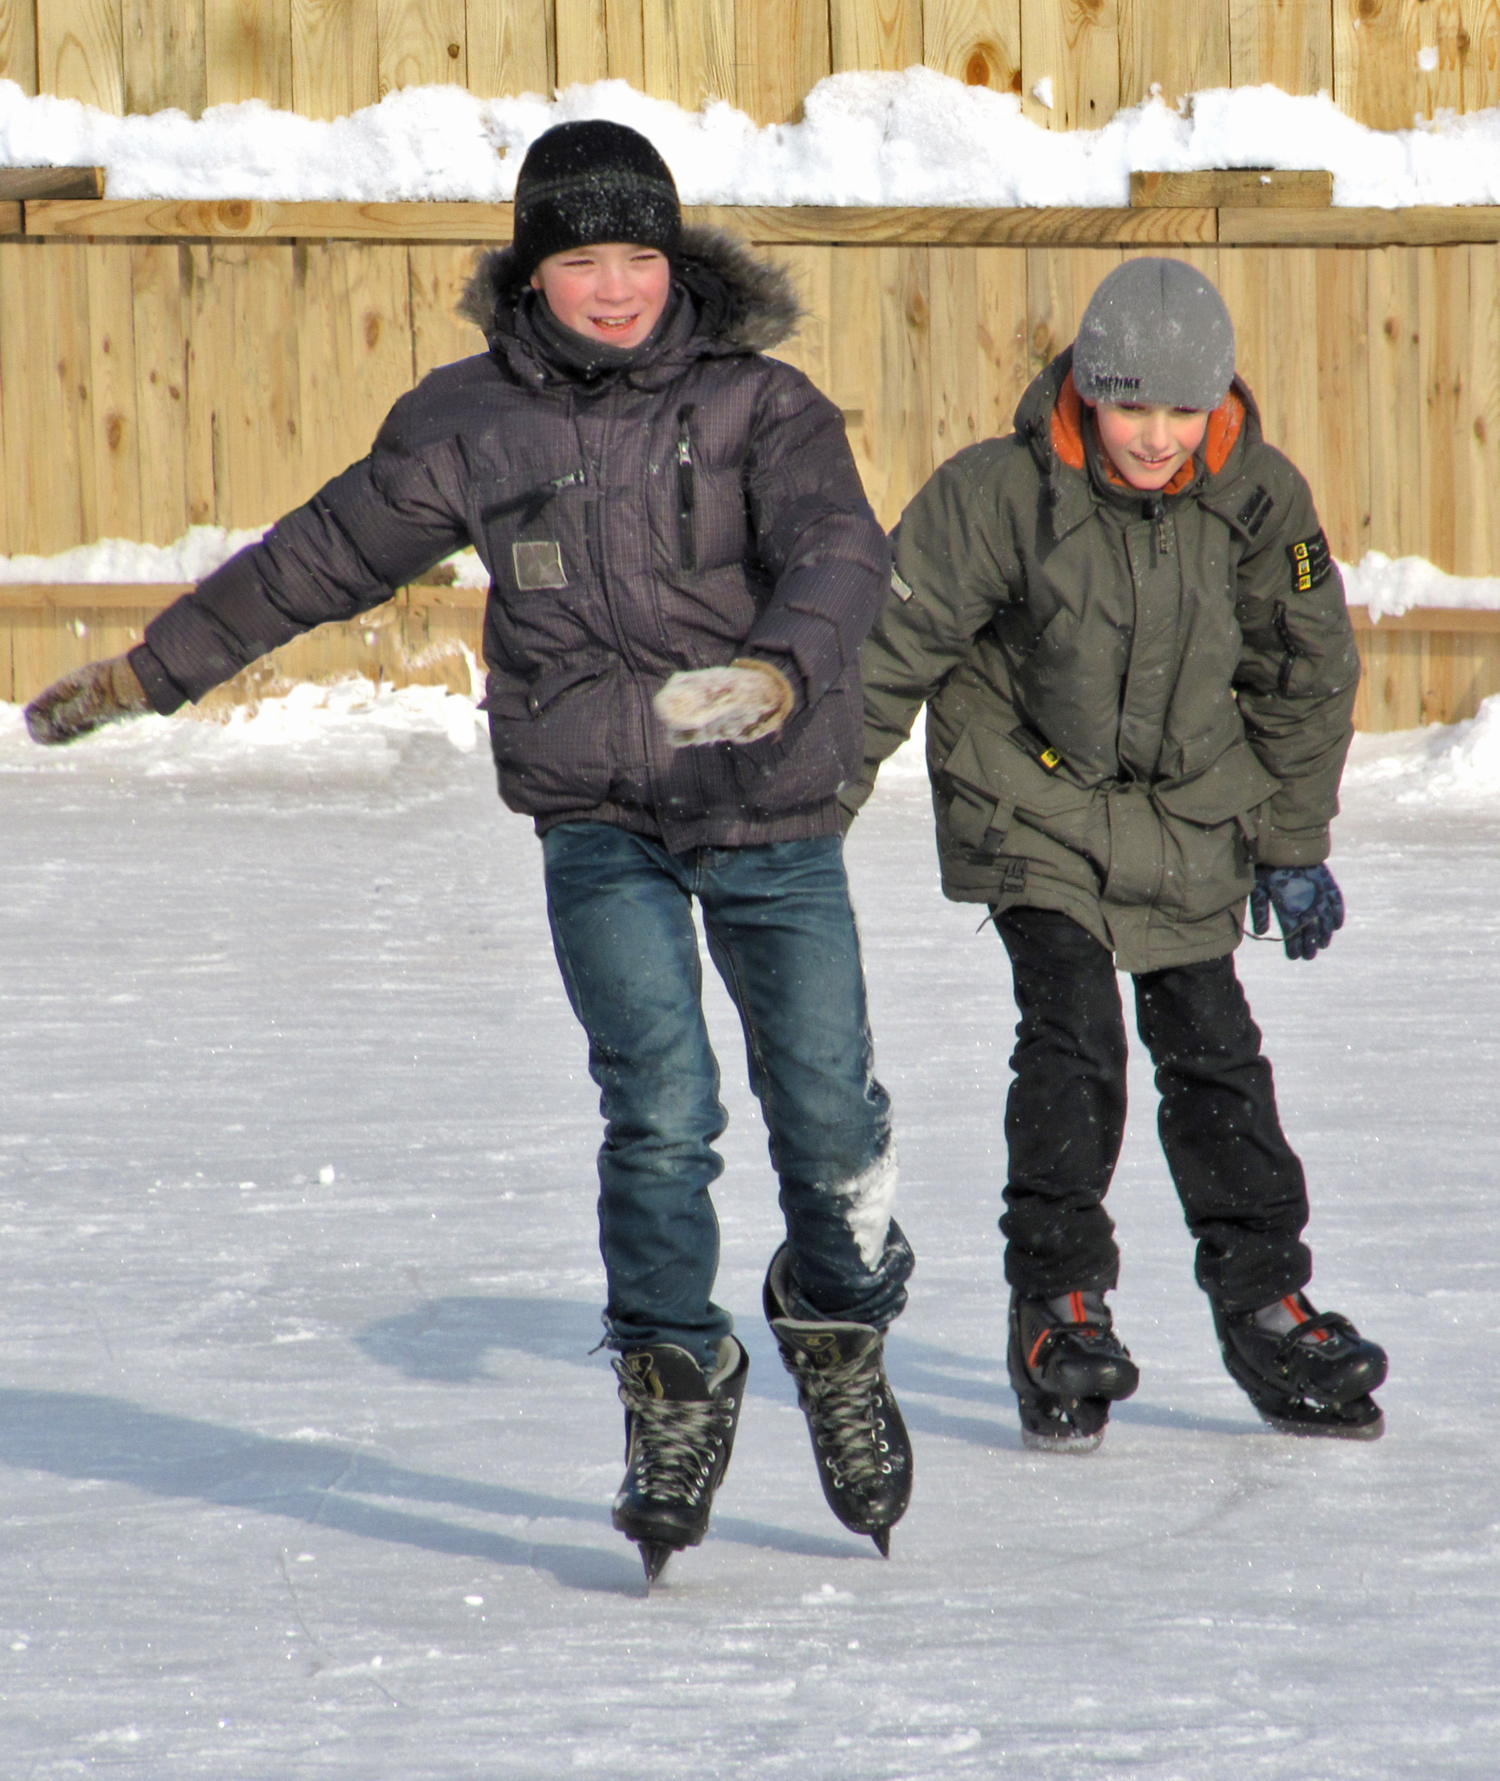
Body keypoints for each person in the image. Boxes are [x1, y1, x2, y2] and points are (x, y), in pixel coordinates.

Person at [24, 120, 914, 1579]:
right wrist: (151, 672)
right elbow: (315, 557)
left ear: (676, 259)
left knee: (822, 1114)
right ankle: (676, 1379)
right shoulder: (472, 421)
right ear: (533, 272)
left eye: (638, 255)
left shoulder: (766, 403)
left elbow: (839, 549)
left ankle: (835, 1326)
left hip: (768, 801)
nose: (615, 288)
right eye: (582, 261)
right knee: (660, 1112)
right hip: (600, 819)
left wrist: (780, 673)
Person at [843, 257, 1386, 1451]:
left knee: (1218, 1057)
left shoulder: (1258, 501)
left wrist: (1290, 843)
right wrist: (805, 822)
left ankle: (1263, 1299)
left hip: (1187, 811)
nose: (1155, 434)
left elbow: (1307, 674)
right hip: (1030, 798)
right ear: (1086, 393)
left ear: (1217, 403)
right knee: (1076, 1036)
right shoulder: (1002, 493)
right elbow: (891, 649)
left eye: (1180, 409)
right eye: (1130, 405)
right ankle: (1058, 1302)